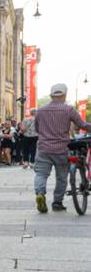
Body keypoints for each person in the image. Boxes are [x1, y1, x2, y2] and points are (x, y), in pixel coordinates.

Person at [32, 83, 91, 213]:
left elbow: (37, 129)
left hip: (43, 149)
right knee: (61, 177)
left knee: (41, 174)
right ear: (64, 95)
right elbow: (82, 124)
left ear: (51, 95)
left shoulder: (40, 110)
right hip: (62, 149)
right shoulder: (68, 109)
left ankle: (40, 194)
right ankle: (57, 202)